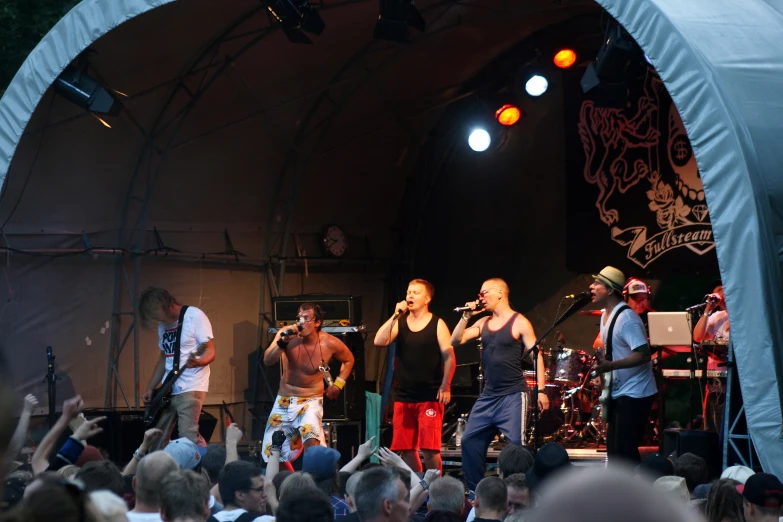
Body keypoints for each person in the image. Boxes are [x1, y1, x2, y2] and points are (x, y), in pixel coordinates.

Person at [451, 278, 549, 497]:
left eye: (484, 293)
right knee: (469, 440)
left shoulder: (519, 321)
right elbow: (456, 340)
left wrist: (541, 391)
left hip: (513, 395)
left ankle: (521, 495)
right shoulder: (483, 322)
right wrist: (466, 316)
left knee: (517, 448)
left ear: (499, 293)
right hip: (488, 396)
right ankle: (477, 495)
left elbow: (537, 357)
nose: (480, 297)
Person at [374, 279, 456, 472]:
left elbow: (449, 358)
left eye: (416, 292)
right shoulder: (400, 322)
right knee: (406, 449)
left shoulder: (437, 324)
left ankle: (435, 490)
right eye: (409, 292)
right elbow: (379, 340)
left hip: (430, 395)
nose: (410, 295)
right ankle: (419, 485)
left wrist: (446, 385)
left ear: (427, 298)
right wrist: (395, 314)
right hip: (404, 395)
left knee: (429, 449)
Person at [262, 303, 355, 463]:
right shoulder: (286, 335)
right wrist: (282, 342)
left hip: (311, 399)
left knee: (311, 439)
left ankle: (313, 481)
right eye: (299, 318)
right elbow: (268, 360)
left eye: (306, 318)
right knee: (272, 454)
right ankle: (284, 483)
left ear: (317, 322)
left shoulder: (329, 343)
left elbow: (349, 360)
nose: (300, 322)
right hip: (285, 399)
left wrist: (337, 384)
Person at [589, 266, 657, 465]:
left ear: (610, 290)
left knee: (625, 451)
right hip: (620, 390)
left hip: (637, 391)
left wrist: (611, 365)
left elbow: (644, 354)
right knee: (614, 450)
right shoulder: (605, 315)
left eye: (597, 283)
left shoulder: (627, 319)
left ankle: (635, 492)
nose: (591, 287)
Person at [139, 288, 216, 449]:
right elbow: (164, 357)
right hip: (168, 388)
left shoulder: (194, 316)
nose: (154, 319)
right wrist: (151, 389)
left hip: (191, 386)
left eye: (155, 313)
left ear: (165, 304)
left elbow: (210, 351)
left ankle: (203, 470)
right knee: (156, 438)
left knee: (188, 438)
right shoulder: (163, 325)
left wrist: (198, 362)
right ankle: (160, 471)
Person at [692, 281, 729, 432]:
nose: (719, 296)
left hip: (732, 378)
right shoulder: (716, 316)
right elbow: (697, 336)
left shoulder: (741, 315)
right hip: (714, 380)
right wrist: (708, 309)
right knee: (712, 425)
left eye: (722, 291)